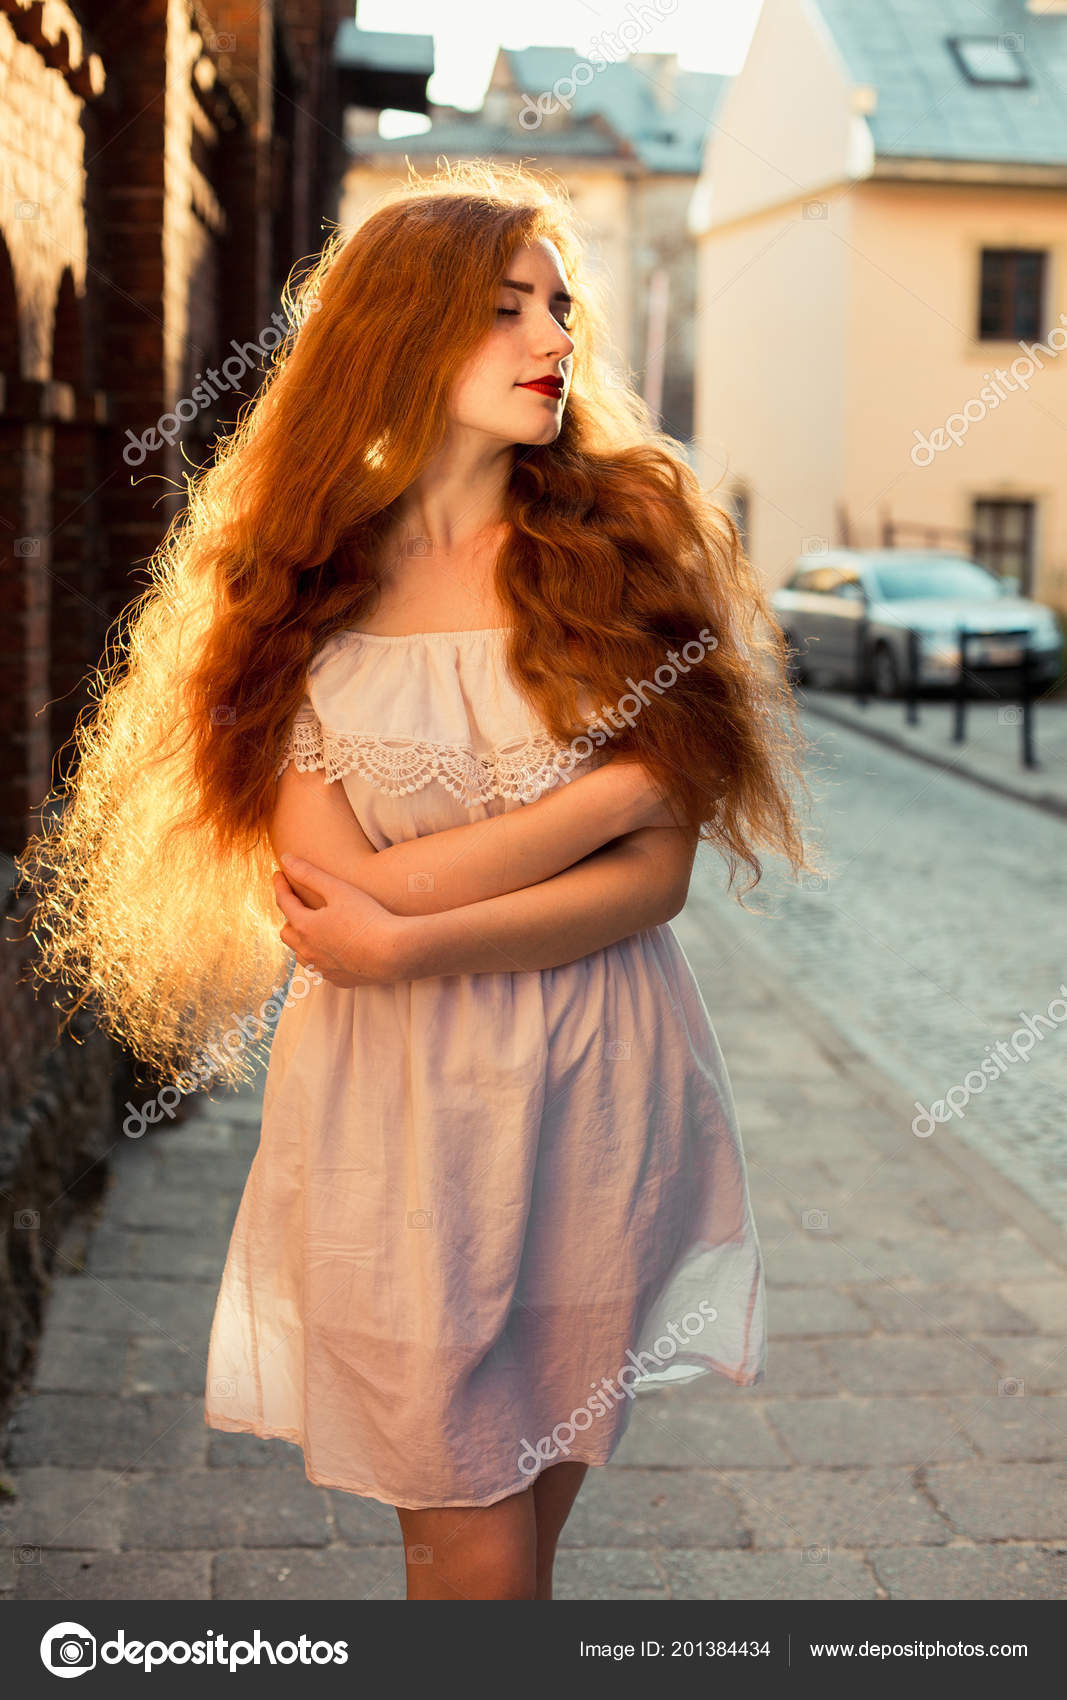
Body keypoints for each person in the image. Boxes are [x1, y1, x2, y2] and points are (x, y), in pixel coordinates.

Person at [17, 162, 815, 1602]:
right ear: (398, 334)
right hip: (394, 1106)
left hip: (599, 1077)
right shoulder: (294, 583)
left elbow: (656, 884)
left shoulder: (620, 541)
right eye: (508, 309)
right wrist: (617, 793)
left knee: (517, 1539)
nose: (557, 338)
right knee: (461, 1532)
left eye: (561, 307)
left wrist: (428, 921)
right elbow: (331, 897)